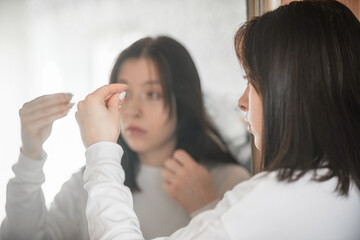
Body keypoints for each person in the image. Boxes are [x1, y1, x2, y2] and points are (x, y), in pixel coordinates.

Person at [75, 1, 360, 239]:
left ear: (292, 86)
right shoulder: (342, 187)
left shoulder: (269, 197)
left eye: (252, 80)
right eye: (127, 94)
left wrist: (101, 152)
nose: (241, 101)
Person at [0, 37, 250, 240]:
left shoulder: (228, 182)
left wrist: (206, 209)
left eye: (152, 94)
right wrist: (30, 157)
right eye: (126, 94)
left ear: (183, 100)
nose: (133, 110)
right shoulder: (92, 181)